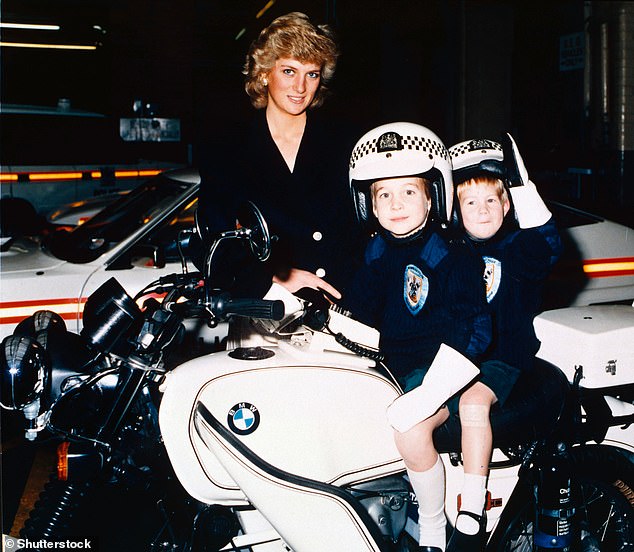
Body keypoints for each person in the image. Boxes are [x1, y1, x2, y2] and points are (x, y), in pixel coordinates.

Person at [344, 122, 492, 552]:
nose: (395, 204)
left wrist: (431, 390)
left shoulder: (450, 253)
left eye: (408, 191)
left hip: (442, 369)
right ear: (367, 203)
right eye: (383, 194)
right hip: (391, 364)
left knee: (409, 431)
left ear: (433, 195)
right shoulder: (377, 250)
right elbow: (357, 308)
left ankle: (433, 526)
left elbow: (476, 329)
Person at [445, 135, 562, 550]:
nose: (481, 210)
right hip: (456, 357)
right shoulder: (449, 251)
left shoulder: (516, 249)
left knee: (473, 405)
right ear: (455, 211)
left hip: (503, 358)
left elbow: (548, 246)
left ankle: (471, 510)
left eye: (491, 201)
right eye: (470, 203)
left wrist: (521, 186)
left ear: (507, 205)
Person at [196, 12, 363, 301]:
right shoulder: (228, 149)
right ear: (264, 73)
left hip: (340, 302)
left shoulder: (346, 143)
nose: (300, 88)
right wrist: (273, 275)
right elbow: (210, 244)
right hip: (267, 306)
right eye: (289, 71)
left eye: (311, 74)